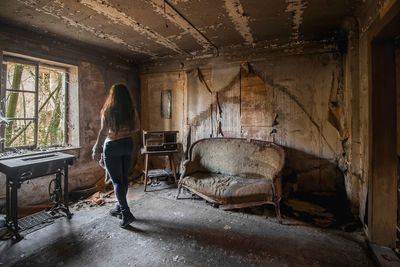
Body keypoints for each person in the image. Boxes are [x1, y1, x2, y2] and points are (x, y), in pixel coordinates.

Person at [92, 84, 136, 228]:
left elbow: (103, 131)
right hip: (128, 144)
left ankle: (126, 213)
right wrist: (125, 129)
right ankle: (119, 207)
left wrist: (96, 149)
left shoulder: (108, 110)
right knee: (124, 179)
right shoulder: (131, 110)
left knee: (116, 181)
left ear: (113, 95)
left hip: (113, 145)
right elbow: (137, 127)